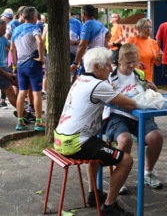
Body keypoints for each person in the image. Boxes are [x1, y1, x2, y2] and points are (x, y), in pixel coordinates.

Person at [54, 47, 136, 216]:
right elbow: (130, 104)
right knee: (126, 160)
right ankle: (109, 207)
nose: (111, 69)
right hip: (76, 143)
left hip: (62, 139)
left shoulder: (81, 79)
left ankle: (93, 194)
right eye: (107, 65)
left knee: (98, 147)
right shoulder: (99, 85)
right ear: (97, 67)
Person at [104, 43, 164, 194]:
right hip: (118, 117)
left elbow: (147, 96)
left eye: (134, 61)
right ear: (119, 60)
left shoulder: (139, 74)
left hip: (139, 117)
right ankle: (119, 177)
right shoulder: (111, 78)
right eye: (128, 62)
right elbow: (106, 102)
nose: (131, 65)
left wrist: (153, 90)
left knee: (156, 137)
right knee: (125, 140)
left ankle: (147, 173)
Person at [10, 6, 45, 131]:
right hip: (33, 64)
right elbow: (40, 42)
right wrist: (41, 57)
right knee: (37, 93)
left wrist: (14, 65)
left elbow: (12, 49)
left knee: (21, 93)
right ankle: (39, 122)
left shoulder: (16, 30)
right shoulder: (34, 28)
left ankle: (20, 122)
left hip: (20, 65)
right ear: (33, 17)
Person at [70, 4, 111, 75]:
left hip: (90, 59)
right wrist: (102, 45)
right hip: (100, 56)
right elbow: (109, 35)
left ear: (84, 14)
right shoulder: (99, 23)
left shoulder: (87, 24)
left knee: (84, 79)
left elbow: (82, 45)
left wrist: (75, 63)